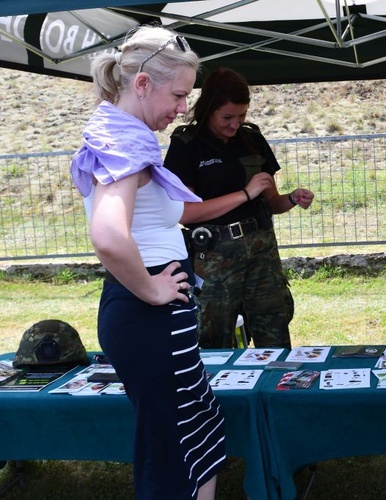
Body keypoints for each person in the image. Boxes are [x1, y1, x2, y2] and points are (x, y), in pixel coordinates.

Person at [69, 26, 226, 499]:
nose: (183, 108)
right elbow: (109, 234)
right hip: (148, 312)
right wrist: (153, 289)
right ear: (141, 85)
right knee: (172, 455)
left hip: (142, 313)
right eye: (178, 94)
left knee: (198, 432)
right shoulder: (130, 144)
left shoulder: (117, 132)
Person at [164, 67, 313, 349]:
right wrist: (244, 194)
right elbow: (185, 213)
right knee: (214, 337)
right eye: (227, 117)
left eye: (242, 116)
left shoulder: (251, 139)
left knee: (274, 329)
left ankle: (276, 390)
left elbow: (272, 202)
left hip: (261, 253)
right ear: (208, 109)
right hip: (215, 257)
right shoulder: (187, 146)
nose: (235, 125)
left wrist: (292, 198)